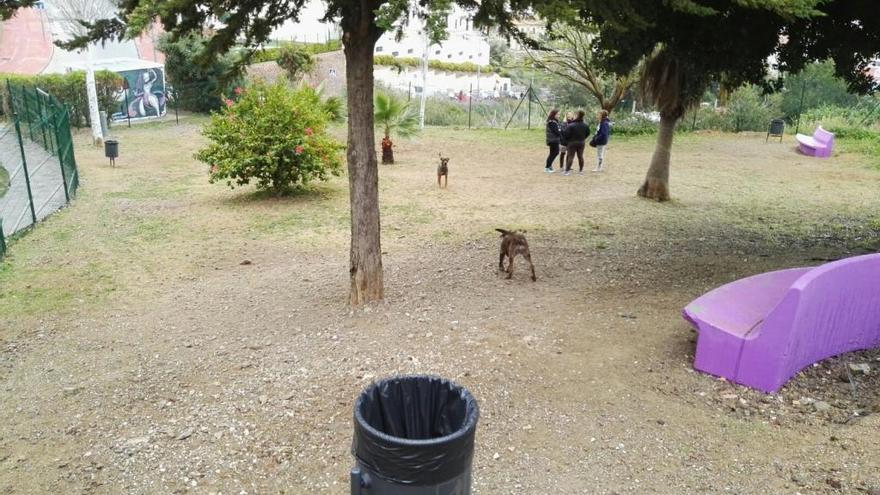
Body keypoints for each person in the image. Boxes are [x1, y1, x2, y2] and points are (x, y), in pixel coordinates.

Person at [562, 110, 590, 176]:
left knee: (570, 157)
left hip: (572, 143)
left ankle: (567, 172)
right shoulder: (585, 125)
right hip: (581, 142)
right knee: (580, 156)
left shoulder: (571, 125)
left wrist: (568, 139)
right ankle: (581, 171)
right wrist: (582, 138)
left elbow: (566, 134)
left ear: (577, 115)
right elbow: (587, 133)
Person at [544, 109, 561, 173]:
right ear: (554, 114)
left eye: (559, 114)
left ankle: (549, 166)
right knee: (555, 153)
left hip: (554, 140)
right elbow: (556, 132)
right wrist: (560, 131)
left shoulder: (554, 121)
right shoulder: (552, 122)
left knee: (553, 153)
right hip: (553, 140)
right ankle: (547, 167)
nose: (559, 115)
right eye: (558, 114)